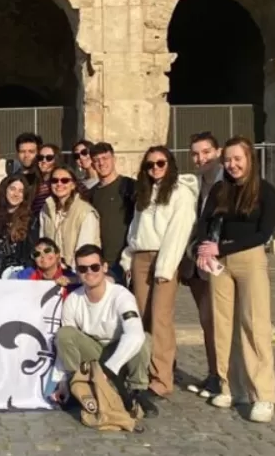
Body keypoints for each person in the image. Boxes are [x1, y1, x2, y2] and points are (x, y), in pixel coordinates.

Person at [196, 136, 275, 423]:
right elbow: (205, 222)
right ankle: (231, 386)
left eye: (237, 159)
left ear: (249, 159)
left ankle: (263, 394)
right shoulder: (220, 189)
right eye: (228, 160)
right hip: (219, 263)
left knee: (254, 325)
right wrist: (204, 247)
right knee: (223, 326)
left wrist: (222, 247)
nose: (232, 165)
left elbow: (263, 233)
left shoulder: (265, 191)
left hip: (249, 259)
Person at [120, 146, 197, 403]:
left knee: (160, 319)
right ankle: (142, 372)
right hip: (141, 257)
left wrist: (165, 267)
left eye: (160, 163)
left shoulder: (180, 193)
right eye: (150, 164)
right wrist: (128, 258)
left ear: (170, 164)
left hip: (164, 257)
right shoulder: (144, 194)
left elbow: (179, 231)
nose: (155, 168)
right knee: (142, 317)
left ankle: (162, 379)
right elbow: (135, 228)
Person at [53, 245, 155, 432]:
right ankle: (78, 387)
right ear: (77, 272)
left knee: (143, 339)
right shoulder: (73, 300)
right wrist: (62, 383)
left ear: (105, 267)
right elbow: (65, 344)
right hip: (94, 353)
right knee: (64, 333)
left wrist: (110, 368)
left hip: (120, 354)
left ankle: (137, 391)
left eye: (94, 267)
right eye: (83, 269)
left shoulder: (121, 295)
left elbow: (134, 334)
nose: (89, 273)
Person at [183, 132, 224, 398]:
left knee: (222, 321)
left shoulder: (227, 182)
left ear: (218, 152)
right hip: (197, 262)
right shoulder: (193, 185)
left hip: (219, 260)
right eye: (196, 154)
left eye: (206, 152)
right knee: (207, 321)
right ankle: (214, 374)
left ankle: (226, 376)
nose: (201, 158)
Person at [86, 142, 135, 283]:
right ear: (92, 164)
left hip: (127, 259)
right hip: (102, 262)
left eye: (105, 158)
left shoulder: (130, 186)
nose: (101, 163)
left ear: (114, 159)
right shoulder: (91, 194)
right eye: (96, 160)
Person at [41, 168, 100, 268]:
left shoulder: (85, 212)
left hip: (77, 271)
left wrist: (71, 272)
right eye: (54, 180)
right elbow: (43, 245)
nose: (59, 184)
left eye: (65, 180)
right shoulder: (46, 209)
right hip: (51, 271)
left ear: (73, 185)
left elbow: (85, 250)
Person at [0, 174, 35, 278]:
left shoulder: (30, 220)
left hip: (16, 275)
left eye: (20, 191)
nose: (16, 194)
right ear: (5, 190)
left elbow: (30, 252)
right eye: (12, 189)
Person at [29, 143, 61, 216]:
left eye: (49, 158)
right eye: (40, 157)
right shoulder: (34, 184)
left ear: (56, 160)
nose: (44, 161)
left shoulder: (61, 182)